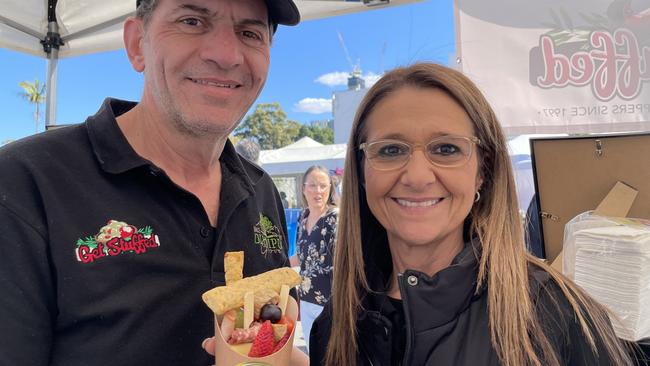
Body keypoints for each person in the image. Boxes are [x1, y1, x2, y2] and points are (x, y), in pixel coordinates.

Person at [0, 0, 309, 365]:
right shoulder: (24, 183)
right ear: (136, 44)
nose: (227, 55)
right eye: (192, 21)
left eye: (249, 33)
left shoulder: (262, 192)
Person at [308, 63, 634, 366]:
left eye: (446, 149)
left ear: (483, 171)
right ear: (362, 172)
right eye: (390, 150)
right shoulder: (335, 325)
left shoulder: (559, 315)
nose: (418, 176)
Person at [288, 165, 338, 353]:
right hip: (307, 298)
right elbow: (302, 256)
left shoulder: (335, 218)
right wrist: (276, 267)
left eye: (323, 186)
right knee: (313, 353)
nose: (318, 191)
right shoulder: (303, 217)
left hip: (331, 301)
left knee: (331, 355)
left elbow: (346, 260)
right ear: (303, 188)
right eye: (313, 185)